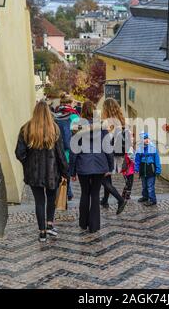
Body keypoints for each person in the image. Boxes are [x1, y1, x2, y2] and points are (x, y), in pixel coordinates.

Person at [15, 101, 69, 243]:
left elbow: (19, 153)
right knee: (51, 199)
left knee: (39, 202)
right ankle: (50, 224)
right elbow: (60, 154)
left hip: (34, 174)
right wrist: (65, 171)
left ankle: (42, 232)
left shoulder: (26, 128)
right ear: (48, 112)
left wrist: (29, 164)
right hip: (52, 173)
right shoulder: (54, 129)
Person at [69, 101, 127, 233]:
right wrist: (110, 167)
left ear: (82, 112)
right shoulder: (102, 128)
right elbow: (108, 149)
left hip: (83, 165)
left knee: (85, 193)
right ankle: (94, 225)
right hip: (100, 165)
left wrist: (72, 171)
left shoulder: (78, 128)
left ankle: (83, 223)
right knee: (95, 194)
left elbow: (74, 151)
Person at [100, 99, 130, 213]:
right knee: (107, 178)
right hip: (117, 154)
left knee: (103, 179)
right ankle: (105, 200)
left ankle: (120, 200)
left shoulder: (106, 122)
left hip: (108, 154)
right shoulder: (122, 121)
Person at [54, 93, 80, 201]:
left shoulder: (55, 115)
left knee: (60, 171)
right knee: (67, 172)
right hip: (70, 149)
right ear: (69, 103)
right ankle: (67, 193)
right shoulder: (74, 116)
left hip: (57, 149)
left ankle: (66, 192)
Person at [135, 133, 162, 206]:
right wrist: (136, 168)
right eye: (144, 138)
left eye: (147, 138)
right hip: (143, 168)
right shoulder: (139, 149)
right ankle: (145, 196)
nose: (146, 140)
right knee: (144, 185)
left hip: (151, 168)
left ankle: (152, 199)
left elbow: (157, 159)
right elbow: (137, 159)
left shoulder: (153, 148)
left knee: (150, 186)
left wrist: (158, 169)